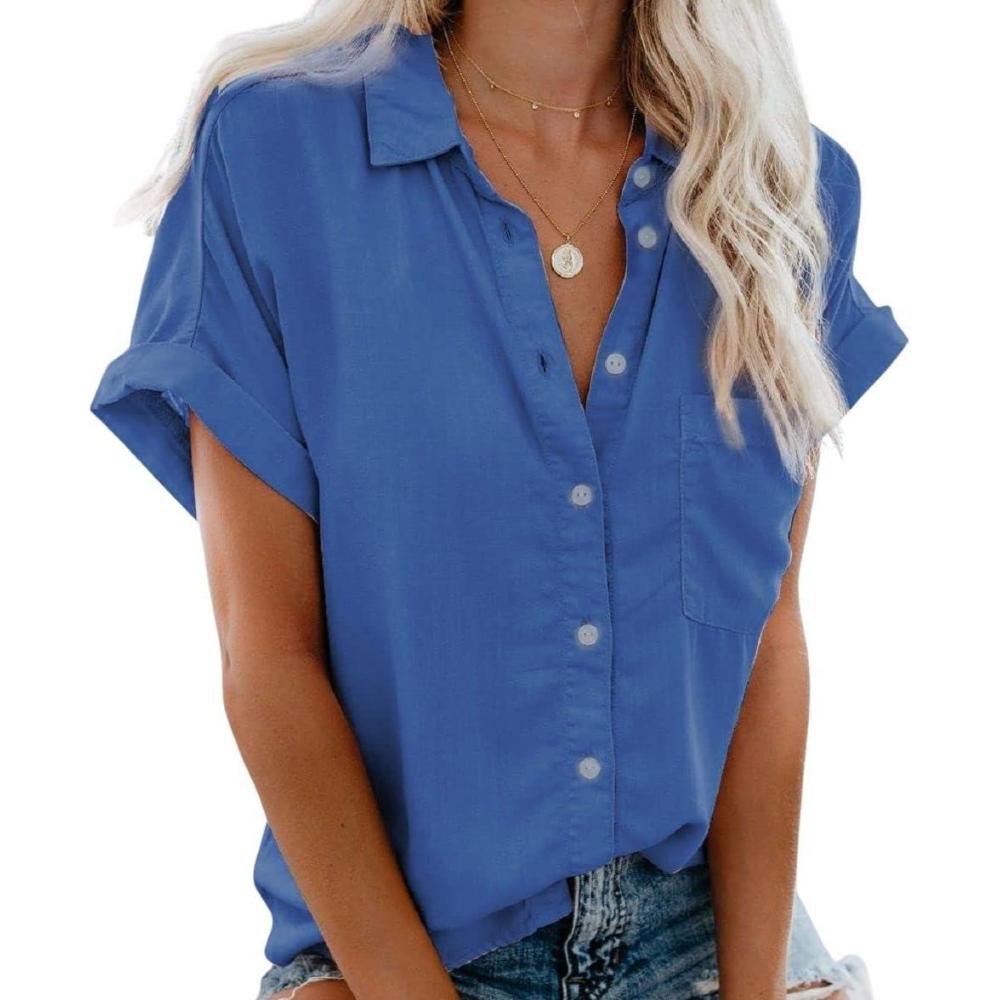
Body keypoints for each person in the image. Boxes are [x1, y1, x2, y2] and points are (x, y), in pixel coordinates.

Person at [90, 2, 907, 998]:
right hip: (396, 944)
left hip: (706, 924)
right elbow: (268, 653)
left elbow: (768, 634)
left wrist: (756, 991)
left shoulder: (778, 188)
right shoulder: (273, 151)